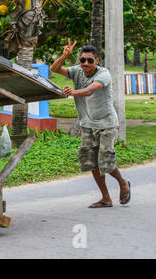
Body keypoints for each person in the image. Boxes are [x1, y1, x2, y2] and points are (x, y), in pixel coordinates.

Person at [50, 40, 131, 208]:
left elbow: (90, 90)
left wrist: (72, 92)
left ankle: (123, 182)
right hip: (87, 124)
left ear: (97, 61)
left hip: (107, 124)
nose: (85, 64)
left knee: (105, 162)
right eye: (82, 60)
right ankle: (106, 198)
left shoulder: (103, 74)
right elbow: (55, 69)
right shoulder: (77, 71)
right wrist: (64, 56)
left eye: (89, 60)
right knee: (91, 162)